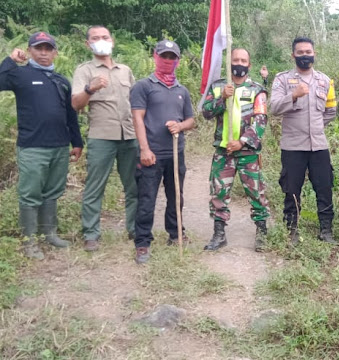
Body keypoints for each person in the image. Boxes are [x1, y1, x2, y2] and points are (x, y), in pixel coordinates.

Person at [0, 32, 83, 259]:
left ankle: (50, 234)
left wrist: (77, 142)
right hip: (32, 147)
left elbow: (70, 115)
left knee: (52, 192)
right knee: (30, 194)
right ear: (29, 51)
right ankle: (29, 243)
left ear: (55, 52)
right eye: (39, 49)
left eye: (48, 49)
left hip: (59, 146)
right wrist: (9, 60)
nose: (44, 53)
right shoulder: (20, 75)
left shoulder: (61, 80)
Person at [71, 25, 137, 252]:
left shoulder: (125, 70)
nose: (101, 41)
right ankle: (91, 233)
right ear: (88, 44)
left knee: (134, 186)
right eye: (95, 38)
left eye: (105, 37)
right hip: (101, 136)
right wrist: (90, 89)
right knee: (94, 187)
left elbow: (136, 104)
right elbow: (76, 104)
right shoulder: (85, 71)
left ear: (112, 40)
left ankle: (135, 229)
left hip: (129, 135)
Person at [130, 40, 195, 264]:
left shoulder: (182, 90)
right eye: (164, 56)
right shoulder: (143, 86)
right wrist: (144, 149)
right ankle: (142, 242)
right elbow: (137, 118)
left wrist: (180, 126)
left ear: (177, 61)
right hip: (152, 154)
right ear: (155, 56)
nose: (168, 61)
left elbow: (191, 120)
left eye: (172, 57)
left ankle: (176, 234)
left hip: (176, 153)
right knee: (147, 198)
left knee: (175, 196)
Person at [270, 37, 337, 245]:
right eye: (300, 52)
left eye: (308, 51)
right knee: (291, 189)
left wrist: (315, 128)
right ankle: (291, 231)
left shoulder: (326, 81)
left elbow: (330, 112)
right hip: (292, 146)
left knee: (324, 188)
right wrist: (293, 95)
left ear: (314, 53)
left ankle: (326, 230)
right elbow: (273, 108)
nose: (305, 55)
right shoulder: (282, 80)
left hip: (318, 145)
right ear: (293, 55)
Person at [201, 48, 270, 252]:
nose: (239, 63)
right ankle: (219, 233)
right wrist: (222, 97)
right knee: (218, 192)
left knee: (256, 192)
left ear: (249, 64)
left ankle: (262, 233)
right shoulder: (218, 86)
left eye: (243, 60)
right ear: (229, 62)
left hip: (248, 152)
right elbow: (206, 112)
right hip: (223, 152)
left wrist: (242, 141)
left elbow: (261, 120)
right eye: (235, 59)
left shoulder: (258, 90)